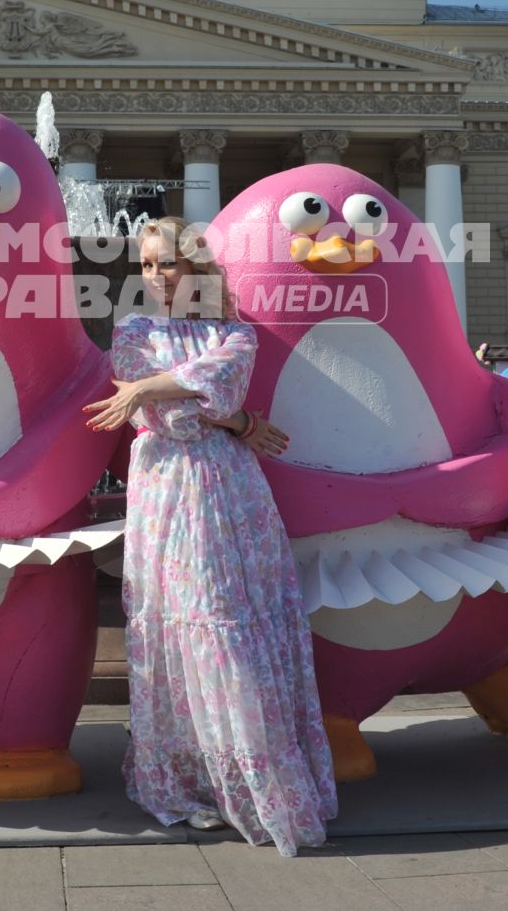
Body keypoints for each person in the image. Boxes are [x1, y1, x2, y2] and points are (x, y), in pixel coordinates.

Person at [84, 217, 334, 855]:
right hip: (165, 488)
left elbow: (209, 394)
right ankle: (185, 783)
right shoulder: (135, 330)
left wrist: (151, 391)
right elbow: (181, 415)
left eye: (165, 262)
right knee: (175, 625)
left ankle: (250, 782)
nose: (154, 276)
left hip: (228, 495)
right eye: (143, 266)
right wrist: (227, 415)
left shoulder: (236, 333)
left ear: (195, 266)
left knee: (227, 620)